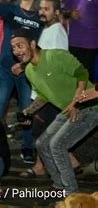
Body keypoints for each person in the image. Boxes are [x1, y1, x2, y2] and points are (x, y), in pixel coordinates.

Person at [10, 28, 97, 196]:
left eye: (20, 46)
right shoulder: (29, 70)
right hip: (67, 110)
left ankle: (71, 193)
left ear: (33, 44)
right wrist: (28, 111)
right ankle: (59, 186)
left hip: (90, 107)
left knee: (57, 145)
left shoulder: (55, 56)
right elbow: (43, 96)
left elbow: (82, 73)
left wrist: (76, 101)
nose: (16, 51)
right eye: (13, 48)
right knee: (41, 144)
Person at [0, 0, 43, 164]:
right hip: (5, 69)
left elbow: (42, 45)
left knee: (26, 110)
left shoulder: (39, 17)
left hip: (28, 72)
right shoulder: (11, 9)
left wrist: (25, 64)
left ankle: (27, 148)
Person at [63, 0, 98, 81]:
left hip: (90, 43)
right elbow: (64, 11)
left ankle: (87, 100)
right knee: (72, 75)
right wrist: (70, 13)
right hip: (74, 41)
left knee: (86, 76)